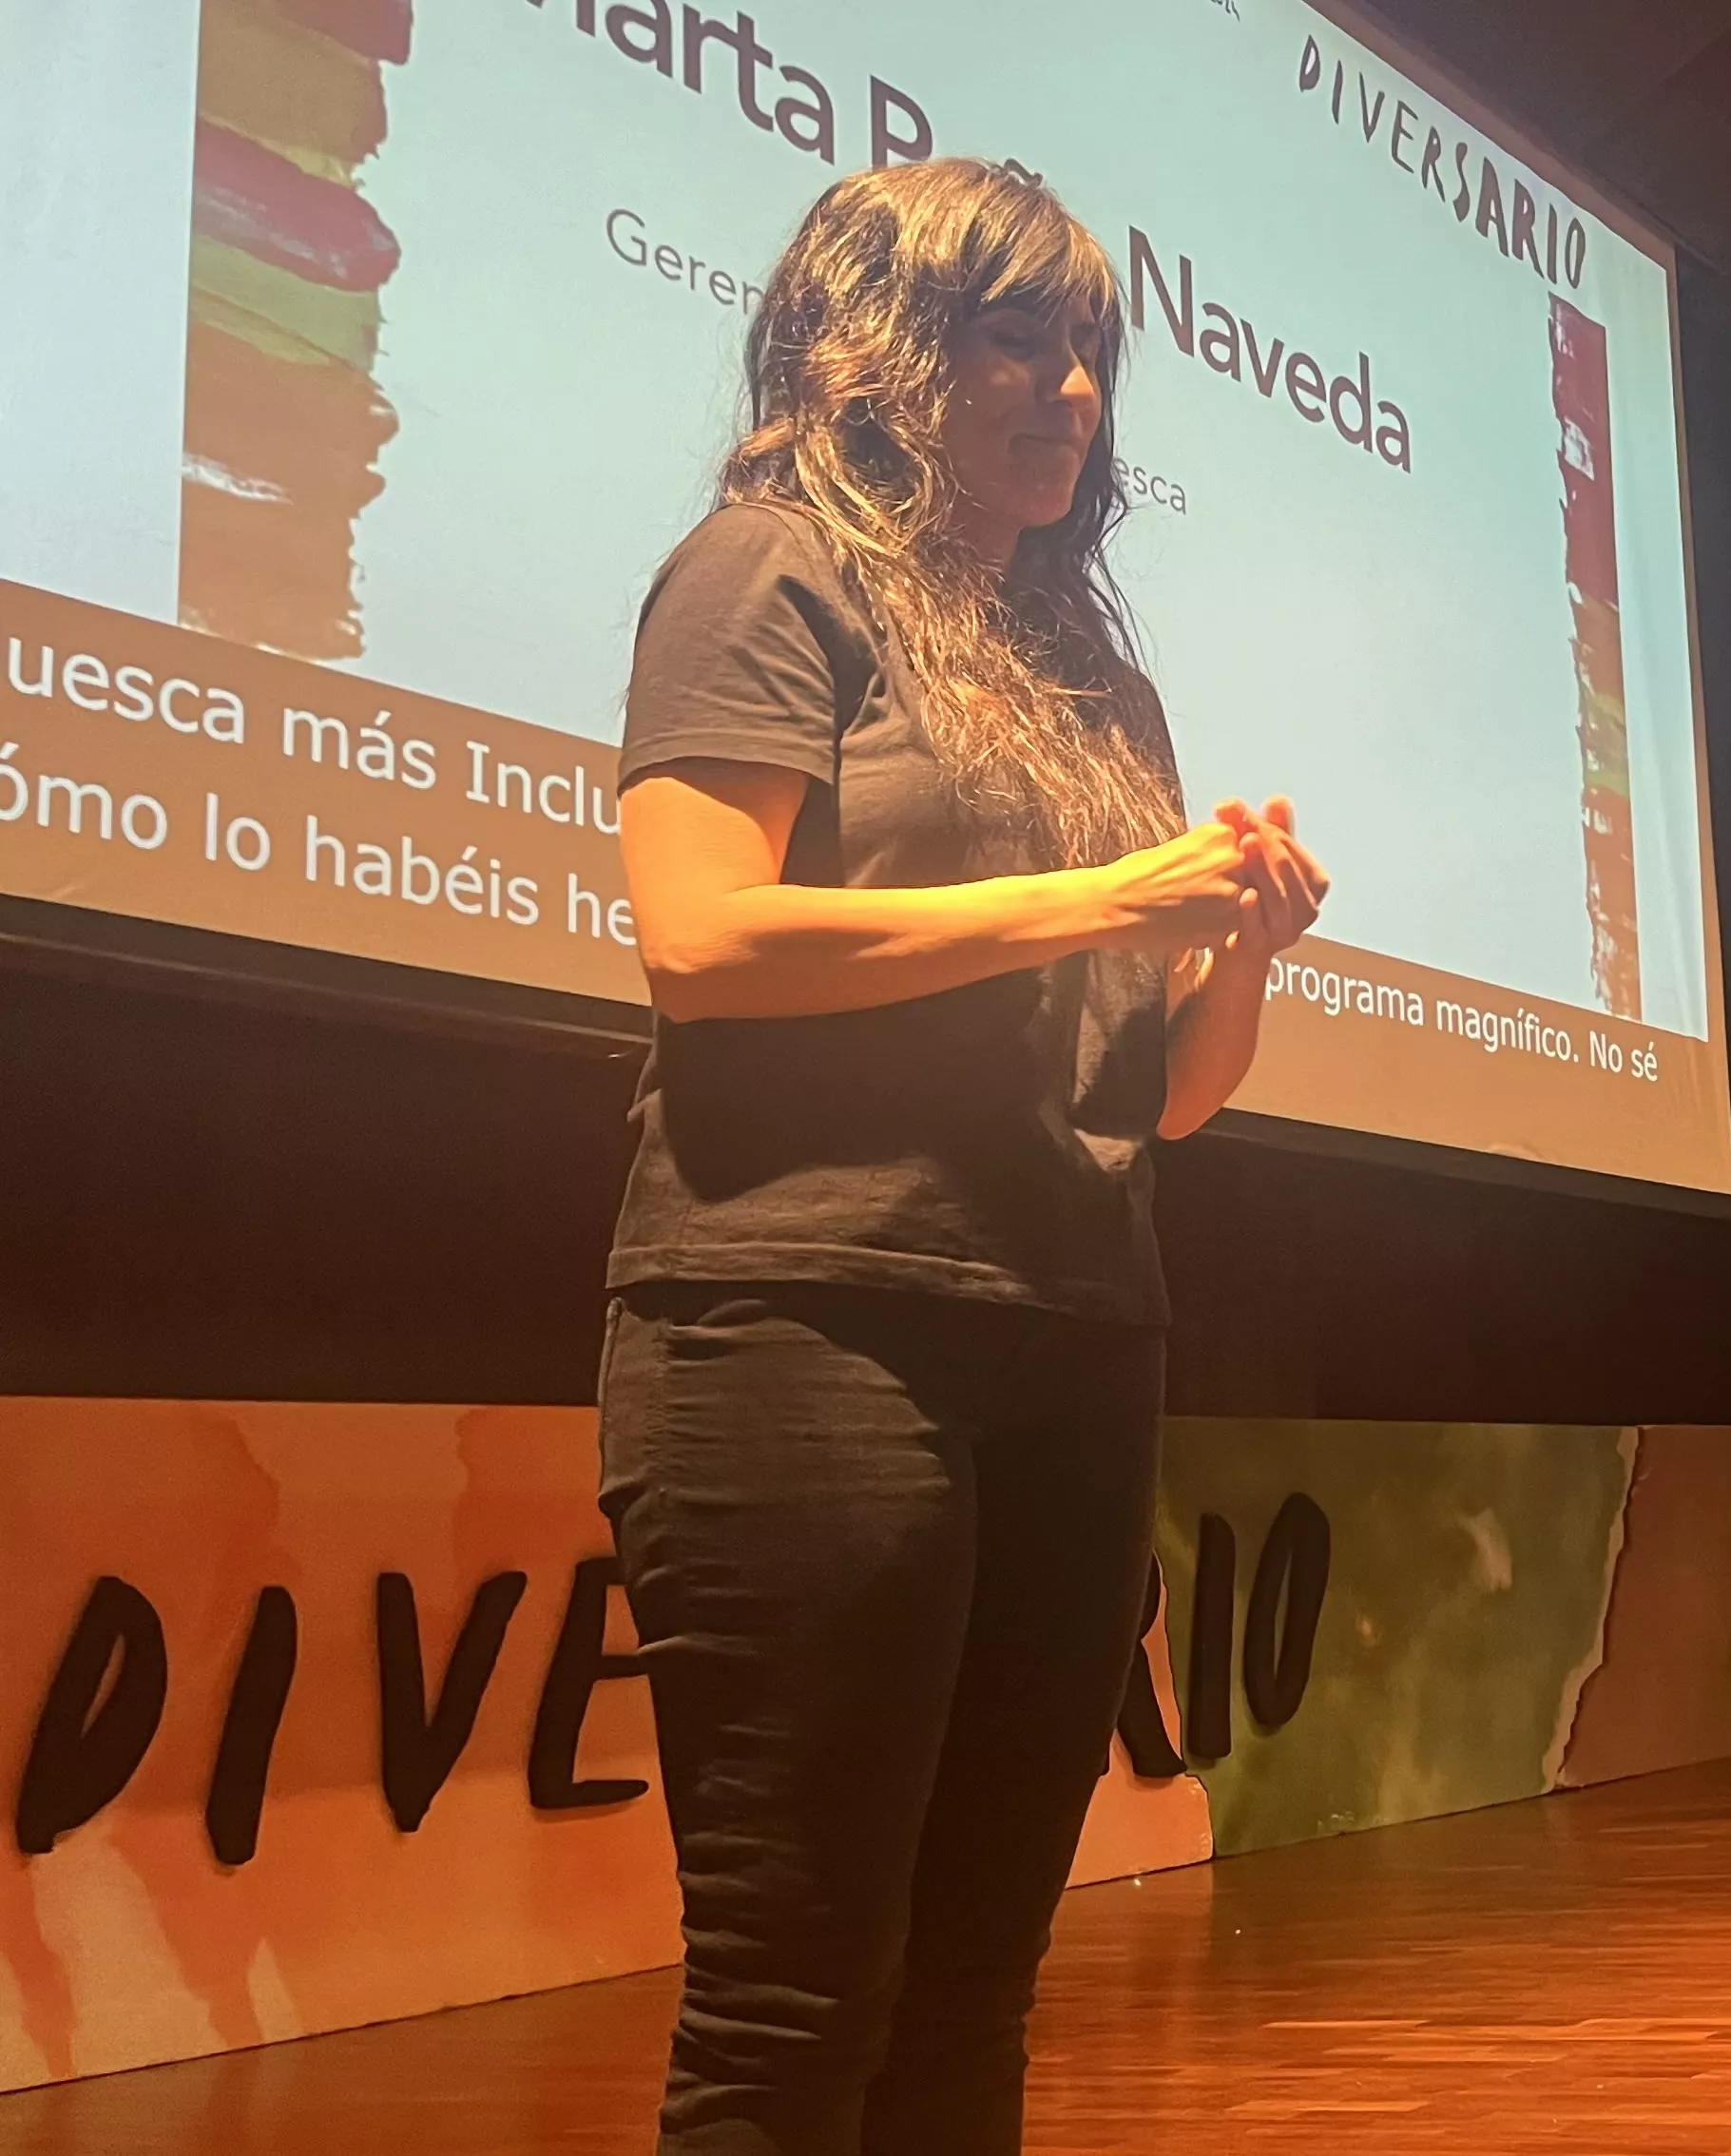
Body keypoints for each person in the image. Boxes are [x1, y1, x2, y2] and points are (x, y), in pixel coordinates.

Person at [598, 159, 1330, 2155]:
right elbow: (701, 940)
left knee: (974, 1995)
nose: (1074, 390)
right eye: (1019, 338)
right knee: (795, 1999)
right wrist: (1112, 898)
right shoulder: (767, 572)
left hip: (1077, 1337)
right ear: (875, 346)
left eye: (1091, 348)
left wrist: (1239, 949)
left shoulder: (1101, 684)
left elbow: (1166, 1098)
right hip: (806, 1326)